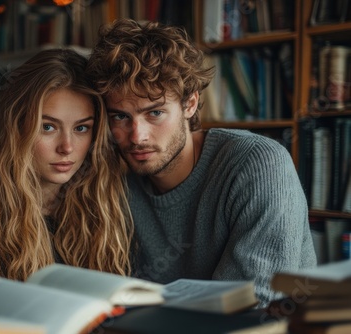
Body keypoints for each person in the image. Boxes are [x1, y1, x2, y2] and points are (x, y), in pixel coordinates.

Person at [86, 19, 317, 307]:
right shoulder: (113, 177)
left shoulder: (257, 163)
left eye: (155, 113)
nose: (137, 136)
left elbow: (249, 304)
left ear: (190, 104)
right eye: (120, 116)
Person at [0, 48, 133, 291]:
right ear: (17, 127)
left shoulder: (103, 209)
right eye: (48, 127)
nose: (67, 147)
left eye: (81, 128)